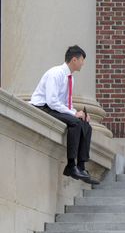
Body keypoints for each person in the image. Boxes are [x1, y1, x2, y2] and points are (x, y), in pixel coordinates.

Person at [30, 45, 99, 185]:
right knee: (75, 122)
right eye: (82, 60)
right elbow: (51, 101)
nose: (83, 63)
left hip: (54, 107)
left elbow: (65, 104)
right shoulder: (55, 73)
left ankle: (81, 166)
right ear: (74, 59)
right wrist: (74, 114)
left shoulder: (70, 78)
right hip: (43, 106)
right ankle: (71, 165)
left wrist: (79, 113)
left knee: (86, 125)